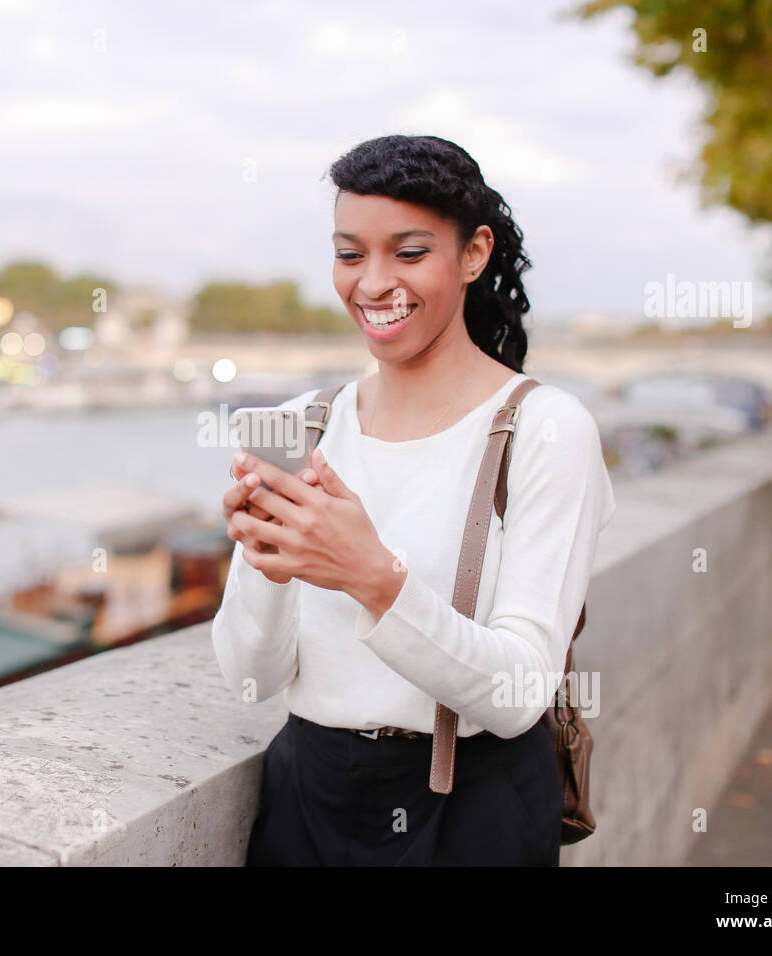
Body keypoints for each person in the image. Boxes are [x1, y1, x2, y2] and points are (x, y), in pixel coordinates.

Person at [210, 134, 616, 866]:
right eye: (349, 253)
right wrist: (268, 570)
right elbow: (250, 679)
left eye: (408, 252)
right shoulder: (308, 424)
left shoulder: (545, 430)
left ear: (473, 253)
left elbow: (521, 691)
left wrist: (371, 575)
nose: (371, 284)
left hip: (475, 806)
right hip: (306, 798)